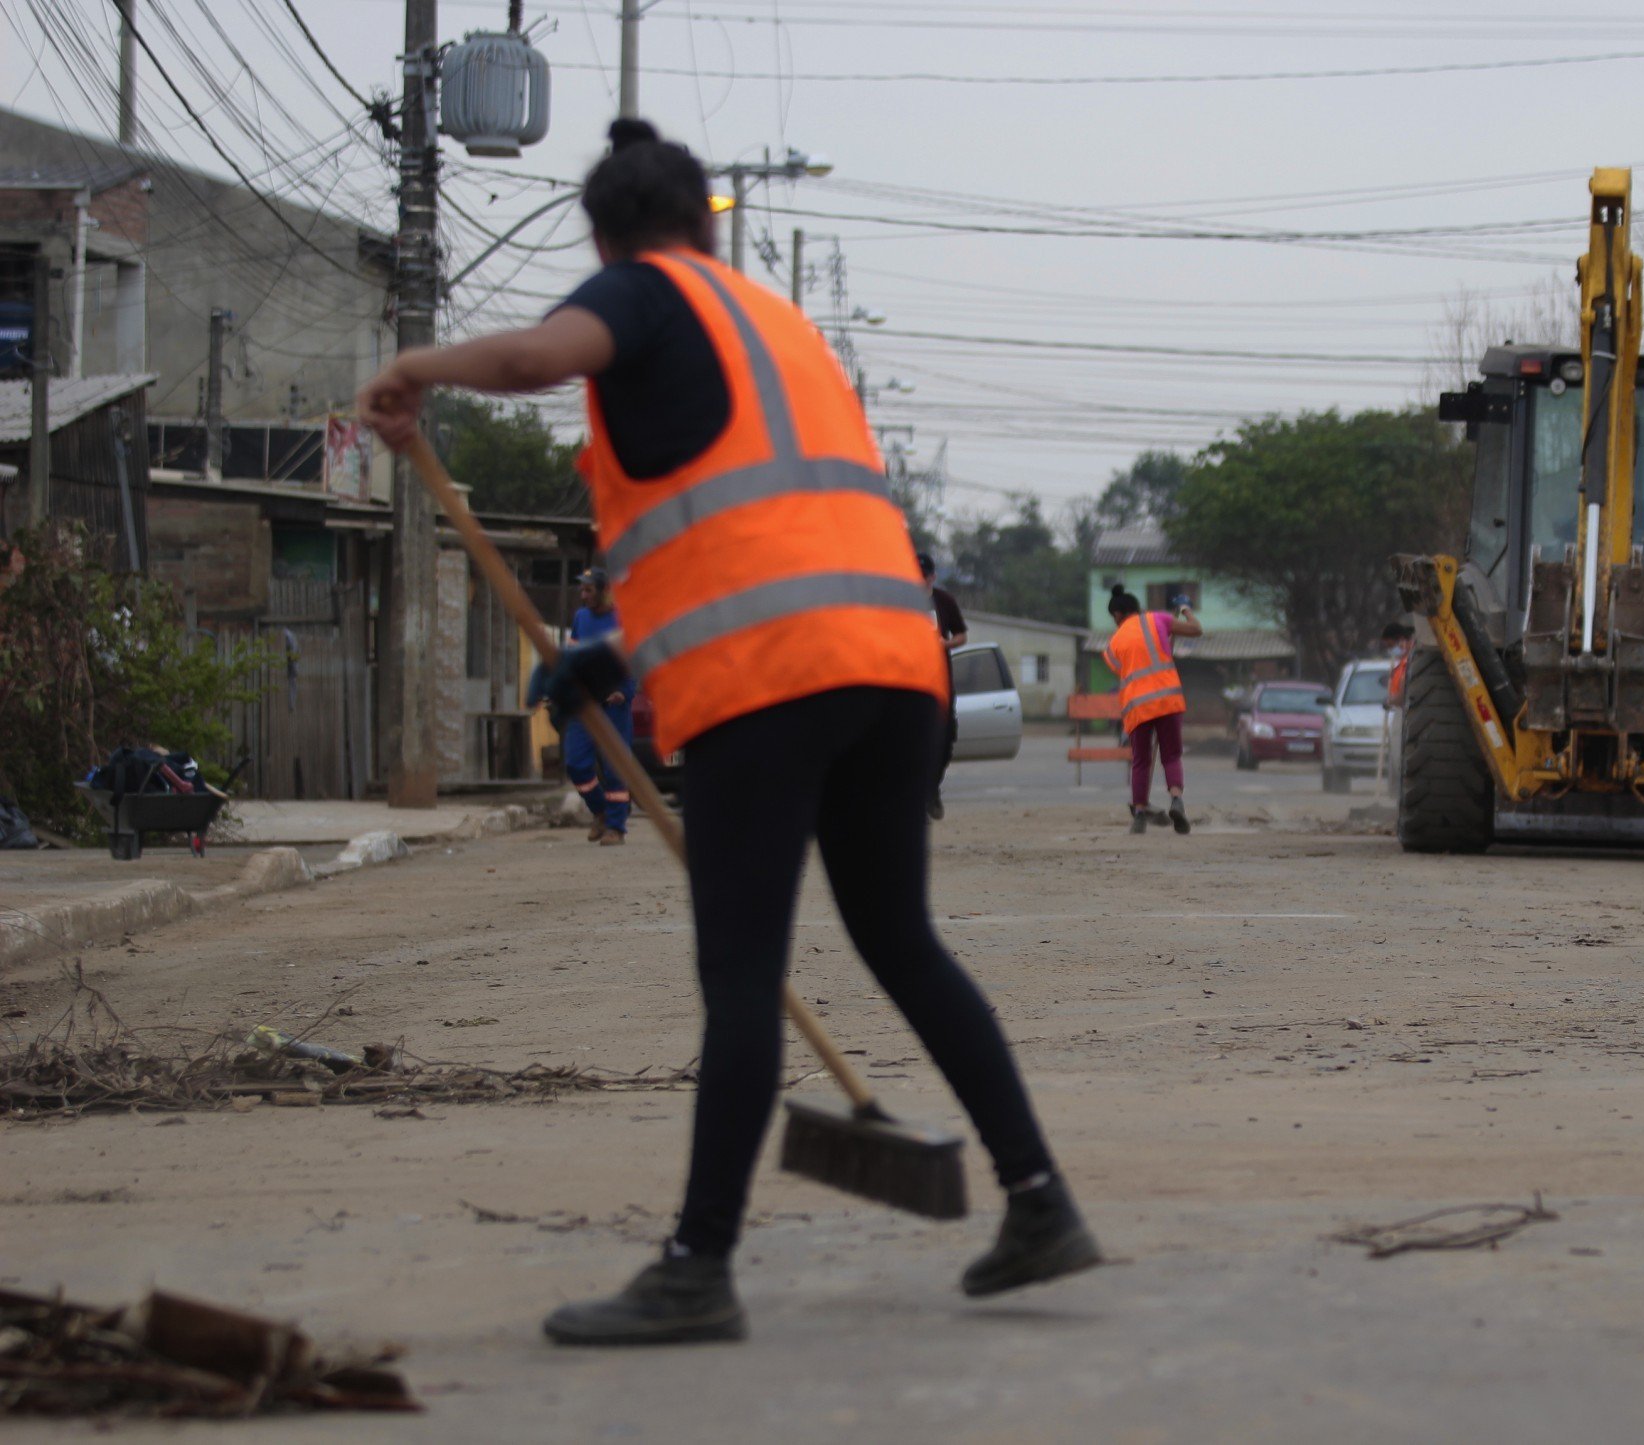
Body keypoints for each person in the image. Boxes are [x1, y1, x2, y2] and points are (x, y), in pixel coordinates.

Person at [355, 119, 1099, 1347]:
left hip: (774, 687)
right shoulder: (778, 328)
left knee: (743, 974)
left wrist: (422, 366)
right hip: (894, 670)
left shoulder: (645, 294)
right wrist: (622, 650)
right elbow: (763, 538)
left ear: (608, 236)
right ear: (707, 219)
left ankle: (698, 1267)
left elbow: (549, 352)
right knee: (901, 941)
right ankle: (1039, 1200)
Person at [1103, 583, 1200, 835]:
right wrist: (1185, 609)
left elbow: (1123, 668)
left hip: (1137, 708)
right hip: (1167, 700)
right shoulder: (1159, 620)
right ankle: (1176, 800)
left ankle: (1139, 814)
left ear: (1117, 615)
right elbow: (1196, 630)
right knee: (1171, 756)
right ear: (1138, 608)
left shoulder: (1111, 646)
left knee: (1140, 762)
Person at [563, 566, 634, 844]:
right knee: (576, 764)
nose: (583, 595)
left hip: (614, 704)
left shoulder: (623, 618)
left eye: (588, 590)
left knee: (615, 765)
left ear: (604, 592)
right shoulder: (581, 618)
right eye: (581, 590)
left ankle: (616, 828)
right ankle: (600, 811)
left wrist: (624, 691)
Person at [919, 552, 968, 821]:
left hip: (940, 682)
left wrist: (944, 644)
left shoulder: (944, 601)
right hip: (911, 682)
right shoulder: (902, 603)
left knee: (946, 737)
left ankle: (932, 789)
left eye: (923, 576)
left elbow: (961, 635)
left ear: (932, 577)